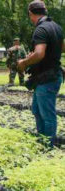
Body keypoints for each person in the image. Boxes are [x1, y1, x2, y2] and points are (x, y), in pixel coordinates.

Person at [17, 0, 65, 147]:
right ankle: (42, 140)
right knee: (37, 110)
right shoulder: (56, 27)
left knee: (47, 115)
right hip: (50, 76)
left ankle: (47, 147)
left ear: (31, 13)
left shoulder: (41, 29)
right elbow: (62, 47)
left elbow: (39, 53)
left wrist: (24, 62)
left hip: (47, 79)